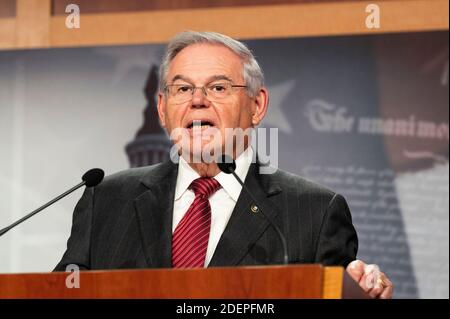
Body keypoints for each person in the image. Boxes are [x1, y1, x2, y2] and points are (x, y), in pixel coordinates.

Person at [55, 31, 393, 299]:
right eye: (183, 88)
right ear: (162, 108)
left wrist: (361, 294)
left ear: (257, 105)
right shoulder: (106, 201)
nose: (198, 100)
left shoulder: (315, 212)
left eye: (218, 87)